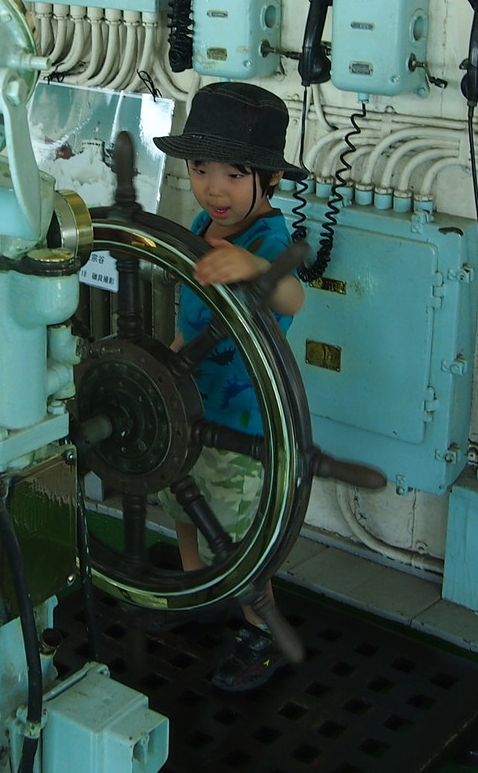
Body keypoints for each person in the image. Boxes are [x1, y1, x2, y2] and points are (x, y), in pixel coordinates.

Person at [153, 81, 307, 693]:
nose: (213, 188)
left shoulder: (268, 240)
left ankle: (259, 631)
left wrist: (254, 270)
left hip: (243, 426)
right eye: (199, 168)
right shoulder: (203, 221)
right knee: (184, 510)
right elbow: (191, 319)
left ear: (267, 180)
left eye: (233, 174)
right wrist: (163, 364)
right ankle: (198, 596)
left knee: (240, 543)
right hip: (191, 408)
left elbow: (293, 296)